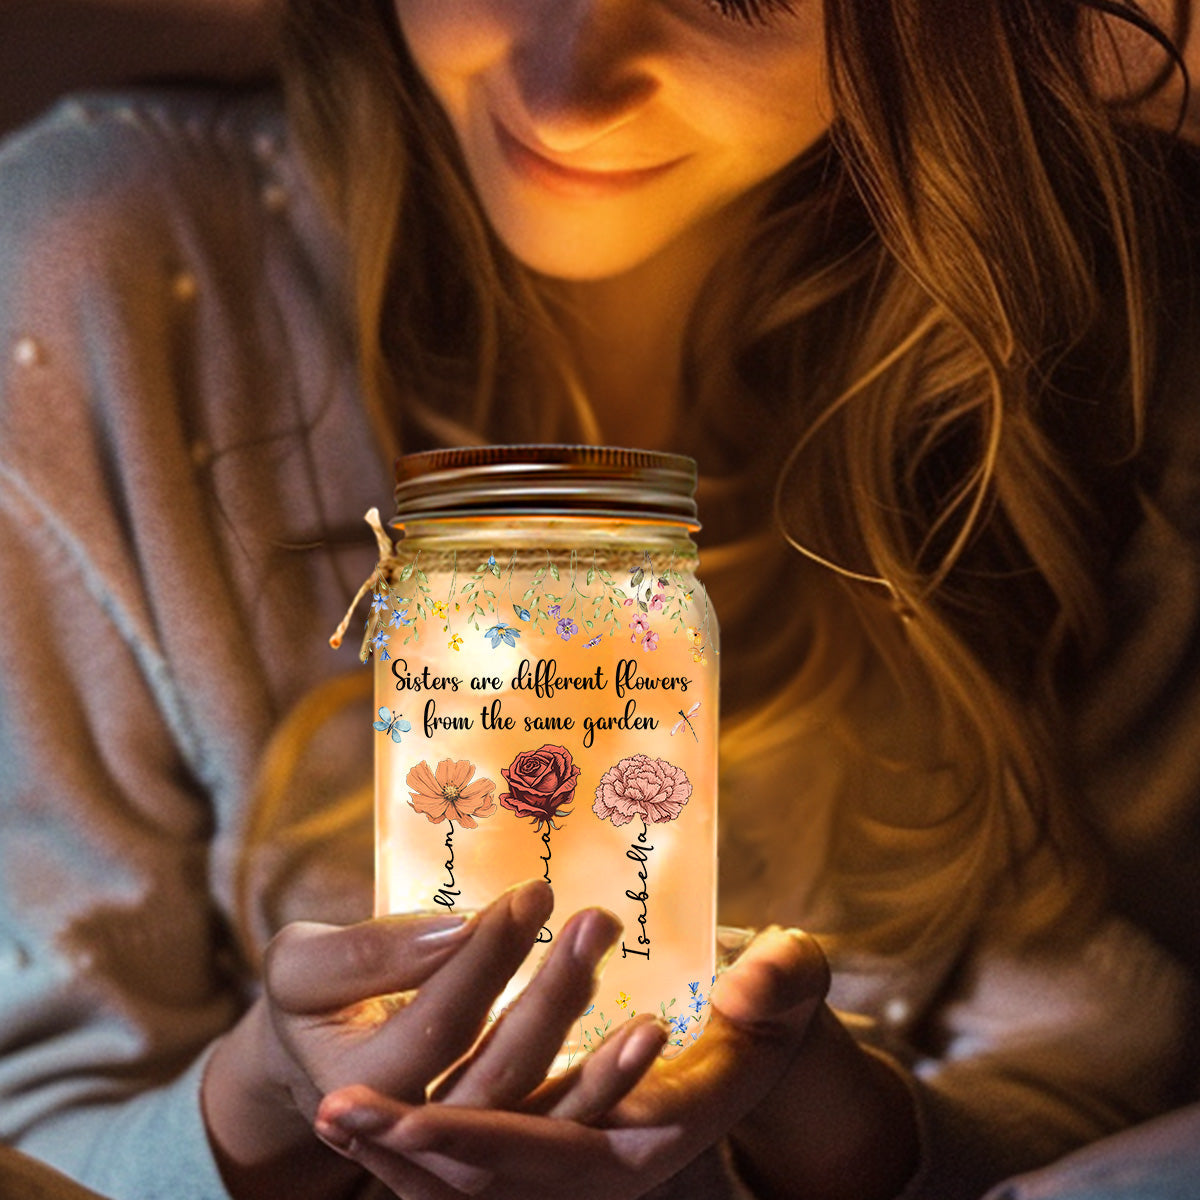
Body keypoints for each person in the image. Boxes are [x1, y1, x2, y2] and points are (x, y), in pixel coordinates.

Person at [1, 2, 1199, 1199]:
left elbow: (1125, 1077)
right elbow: (31, 1125)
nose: (567, 94)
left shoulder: (1089, 327)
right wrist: (261, 1102)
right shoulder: (100, 278)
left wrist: (832, 1127)